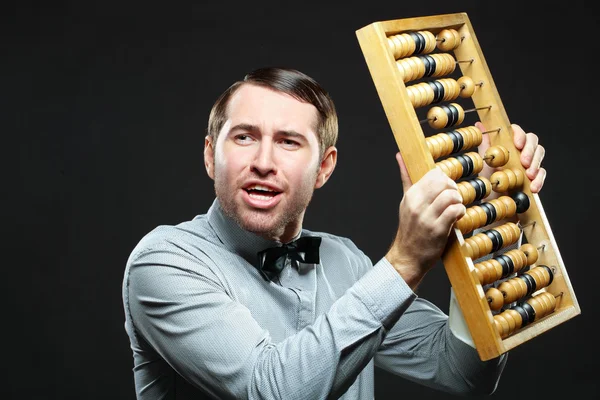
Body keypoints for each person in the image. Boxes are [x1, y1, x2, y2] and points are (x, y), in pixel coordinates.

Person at [122, 67, 547, 399]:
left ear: (324, 168)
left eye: (289, 142)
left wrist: (486, 213)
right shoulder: (163, 263)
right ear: (211, 156)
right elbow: (274, 390)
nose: (264, 161)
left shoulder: (346, 262)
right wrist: (405, 263)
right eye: (245, 137)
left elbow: (462, 372)